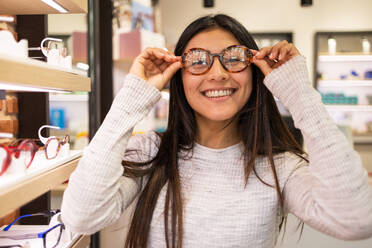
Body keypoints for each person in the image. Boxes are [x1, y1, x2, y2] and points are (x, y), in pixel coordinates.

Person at [60, 14, 372, 247]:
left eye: (234, 59)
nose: (218, 74)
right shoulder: (151, 153)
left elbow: (357, 220)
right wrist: (132, 97)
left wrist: (299, 94)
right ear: (179, 76)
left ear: (254, 70)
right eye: (198, 61)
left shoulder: (281, 166)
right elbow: (82, 216)